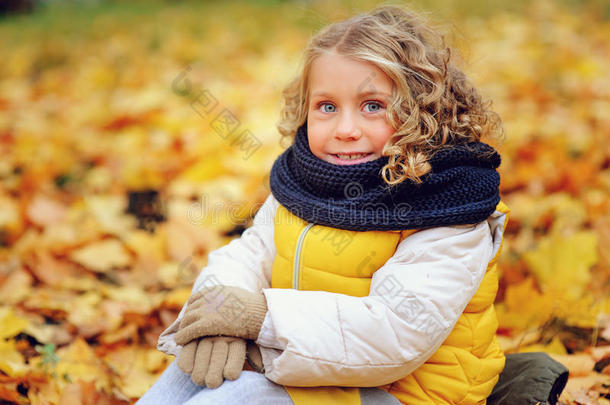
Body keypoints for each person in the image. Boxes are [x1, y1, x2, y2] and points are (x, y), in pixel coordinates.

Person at [137, 4, 568, 405]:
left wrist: (260, 319)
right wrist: (221, 309)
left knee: (238, 395)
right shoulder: (304, 183)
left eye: (373, 106)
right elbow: (248, 254)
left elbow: (395, 334)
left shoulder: (447, 207)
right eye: (327, 106)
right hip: (307, 365)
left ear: (425, 112)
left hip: (405, 392)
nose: (345, 129)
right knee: (191, 372)